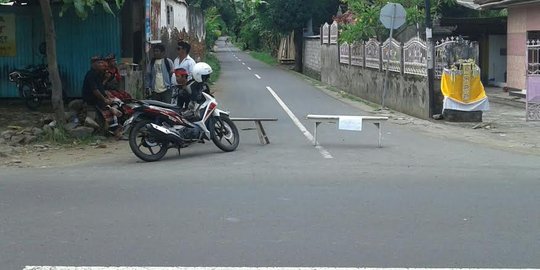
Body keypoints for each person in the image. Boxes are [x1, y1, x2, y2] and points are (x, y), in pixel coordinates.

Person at [82, 56, 122, 138]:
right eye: (99, 63)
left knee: (118, 101)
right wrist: (105, 99)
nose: (101, 64)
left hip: (99, 97)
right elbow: (95, 91)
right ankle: (115, 131)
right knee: (108, 110)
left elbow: (101, 88)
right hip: (92, 99)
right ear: (93, 64)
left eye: (101, 62)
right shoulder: (91, 75)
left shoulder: (99, 74)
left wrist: (107, 96)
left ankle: (113, 108)